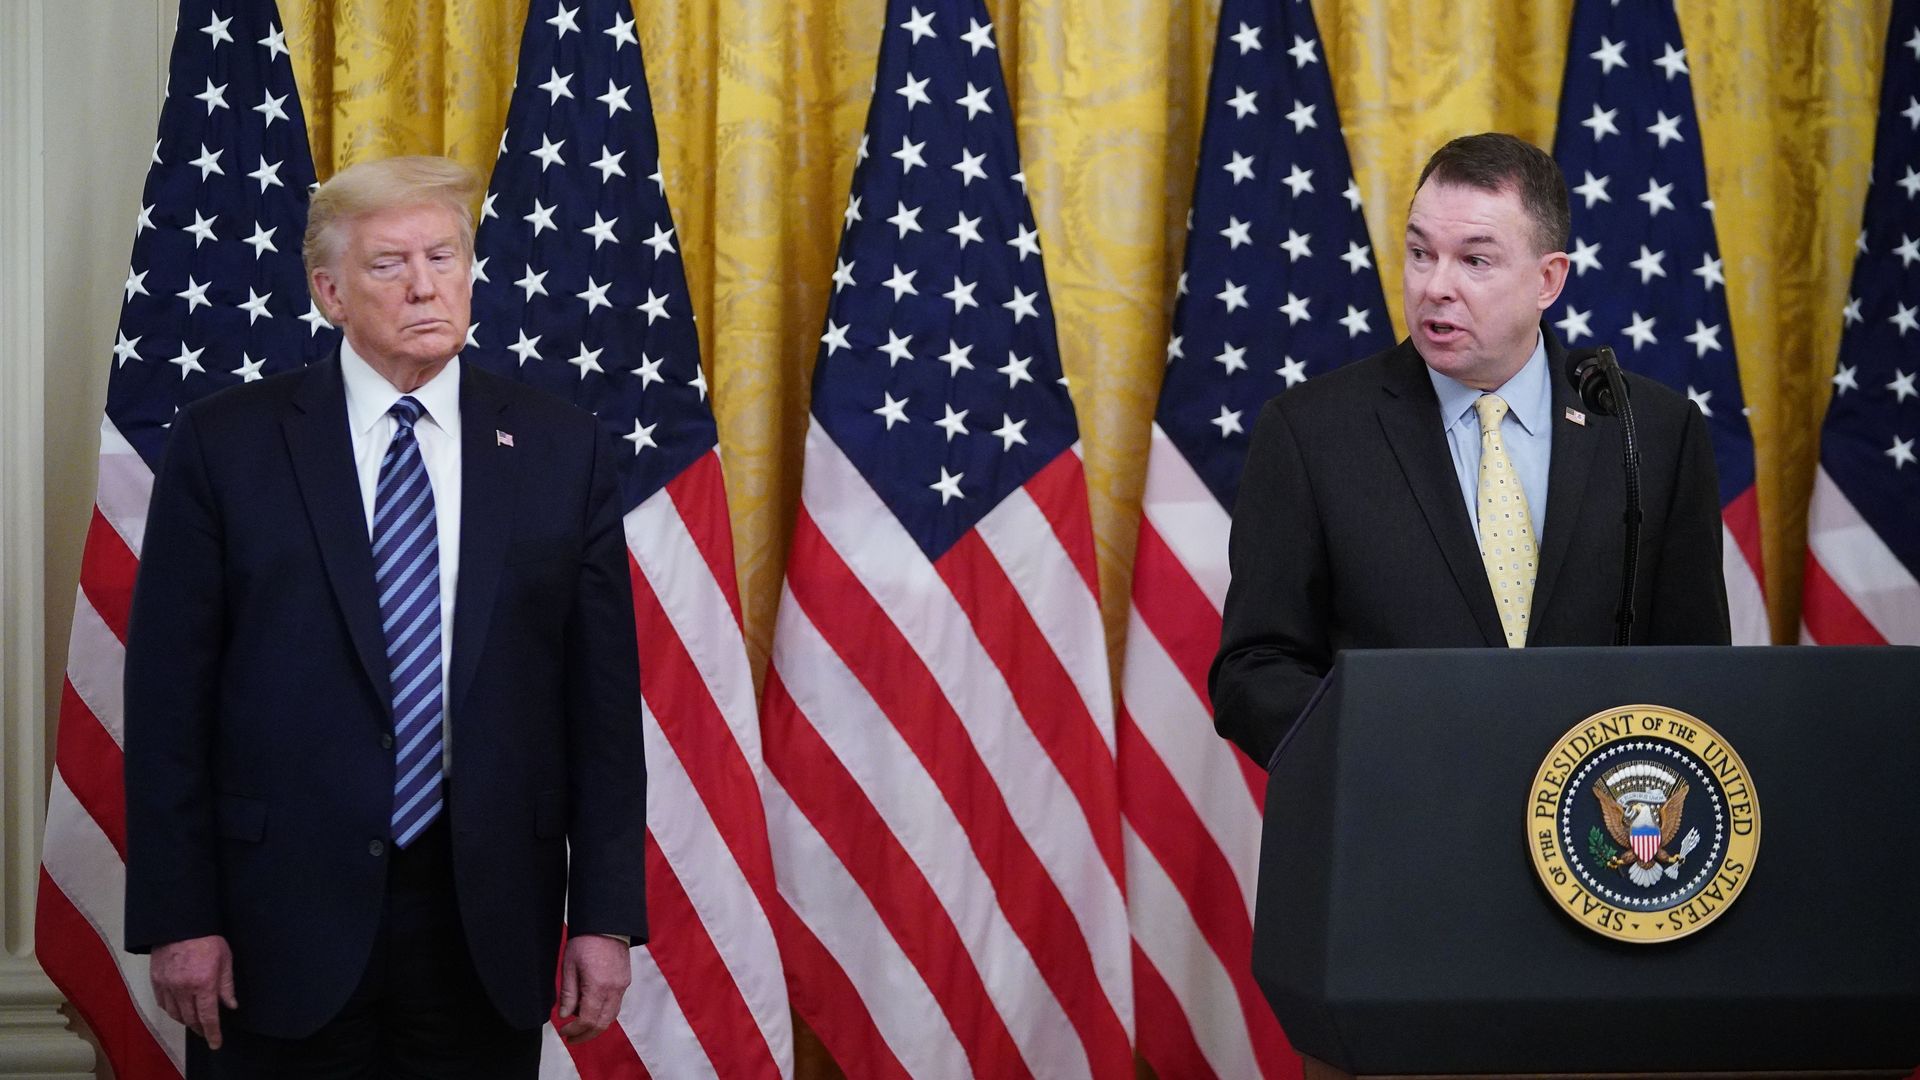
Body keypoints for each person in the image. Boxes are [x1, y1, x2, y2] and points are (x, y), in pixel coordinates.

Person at [122, 155, 646, 1077]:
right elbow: (169, 699)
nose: (424, 287)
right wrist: (179, 916)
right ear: (328, 291)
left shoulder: (563, 448)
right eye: (388, 265)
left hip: (484, 919)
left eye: (443, 257)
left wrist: (604, 917)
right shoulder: (225, 441)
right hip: (275, 921)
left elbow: (600, 710)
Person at [1210, 133, 1731, 768]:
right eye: (1420, 253)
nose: (1436, 286)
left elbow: (1697, 671)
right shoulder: (1310, 433)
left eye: (1475, 261)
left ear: (1548, 279)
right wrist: (1379, 752)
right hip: (1394, 830)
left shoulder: (1649, 432)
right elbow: (1254, 668)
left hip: (1600, 838)